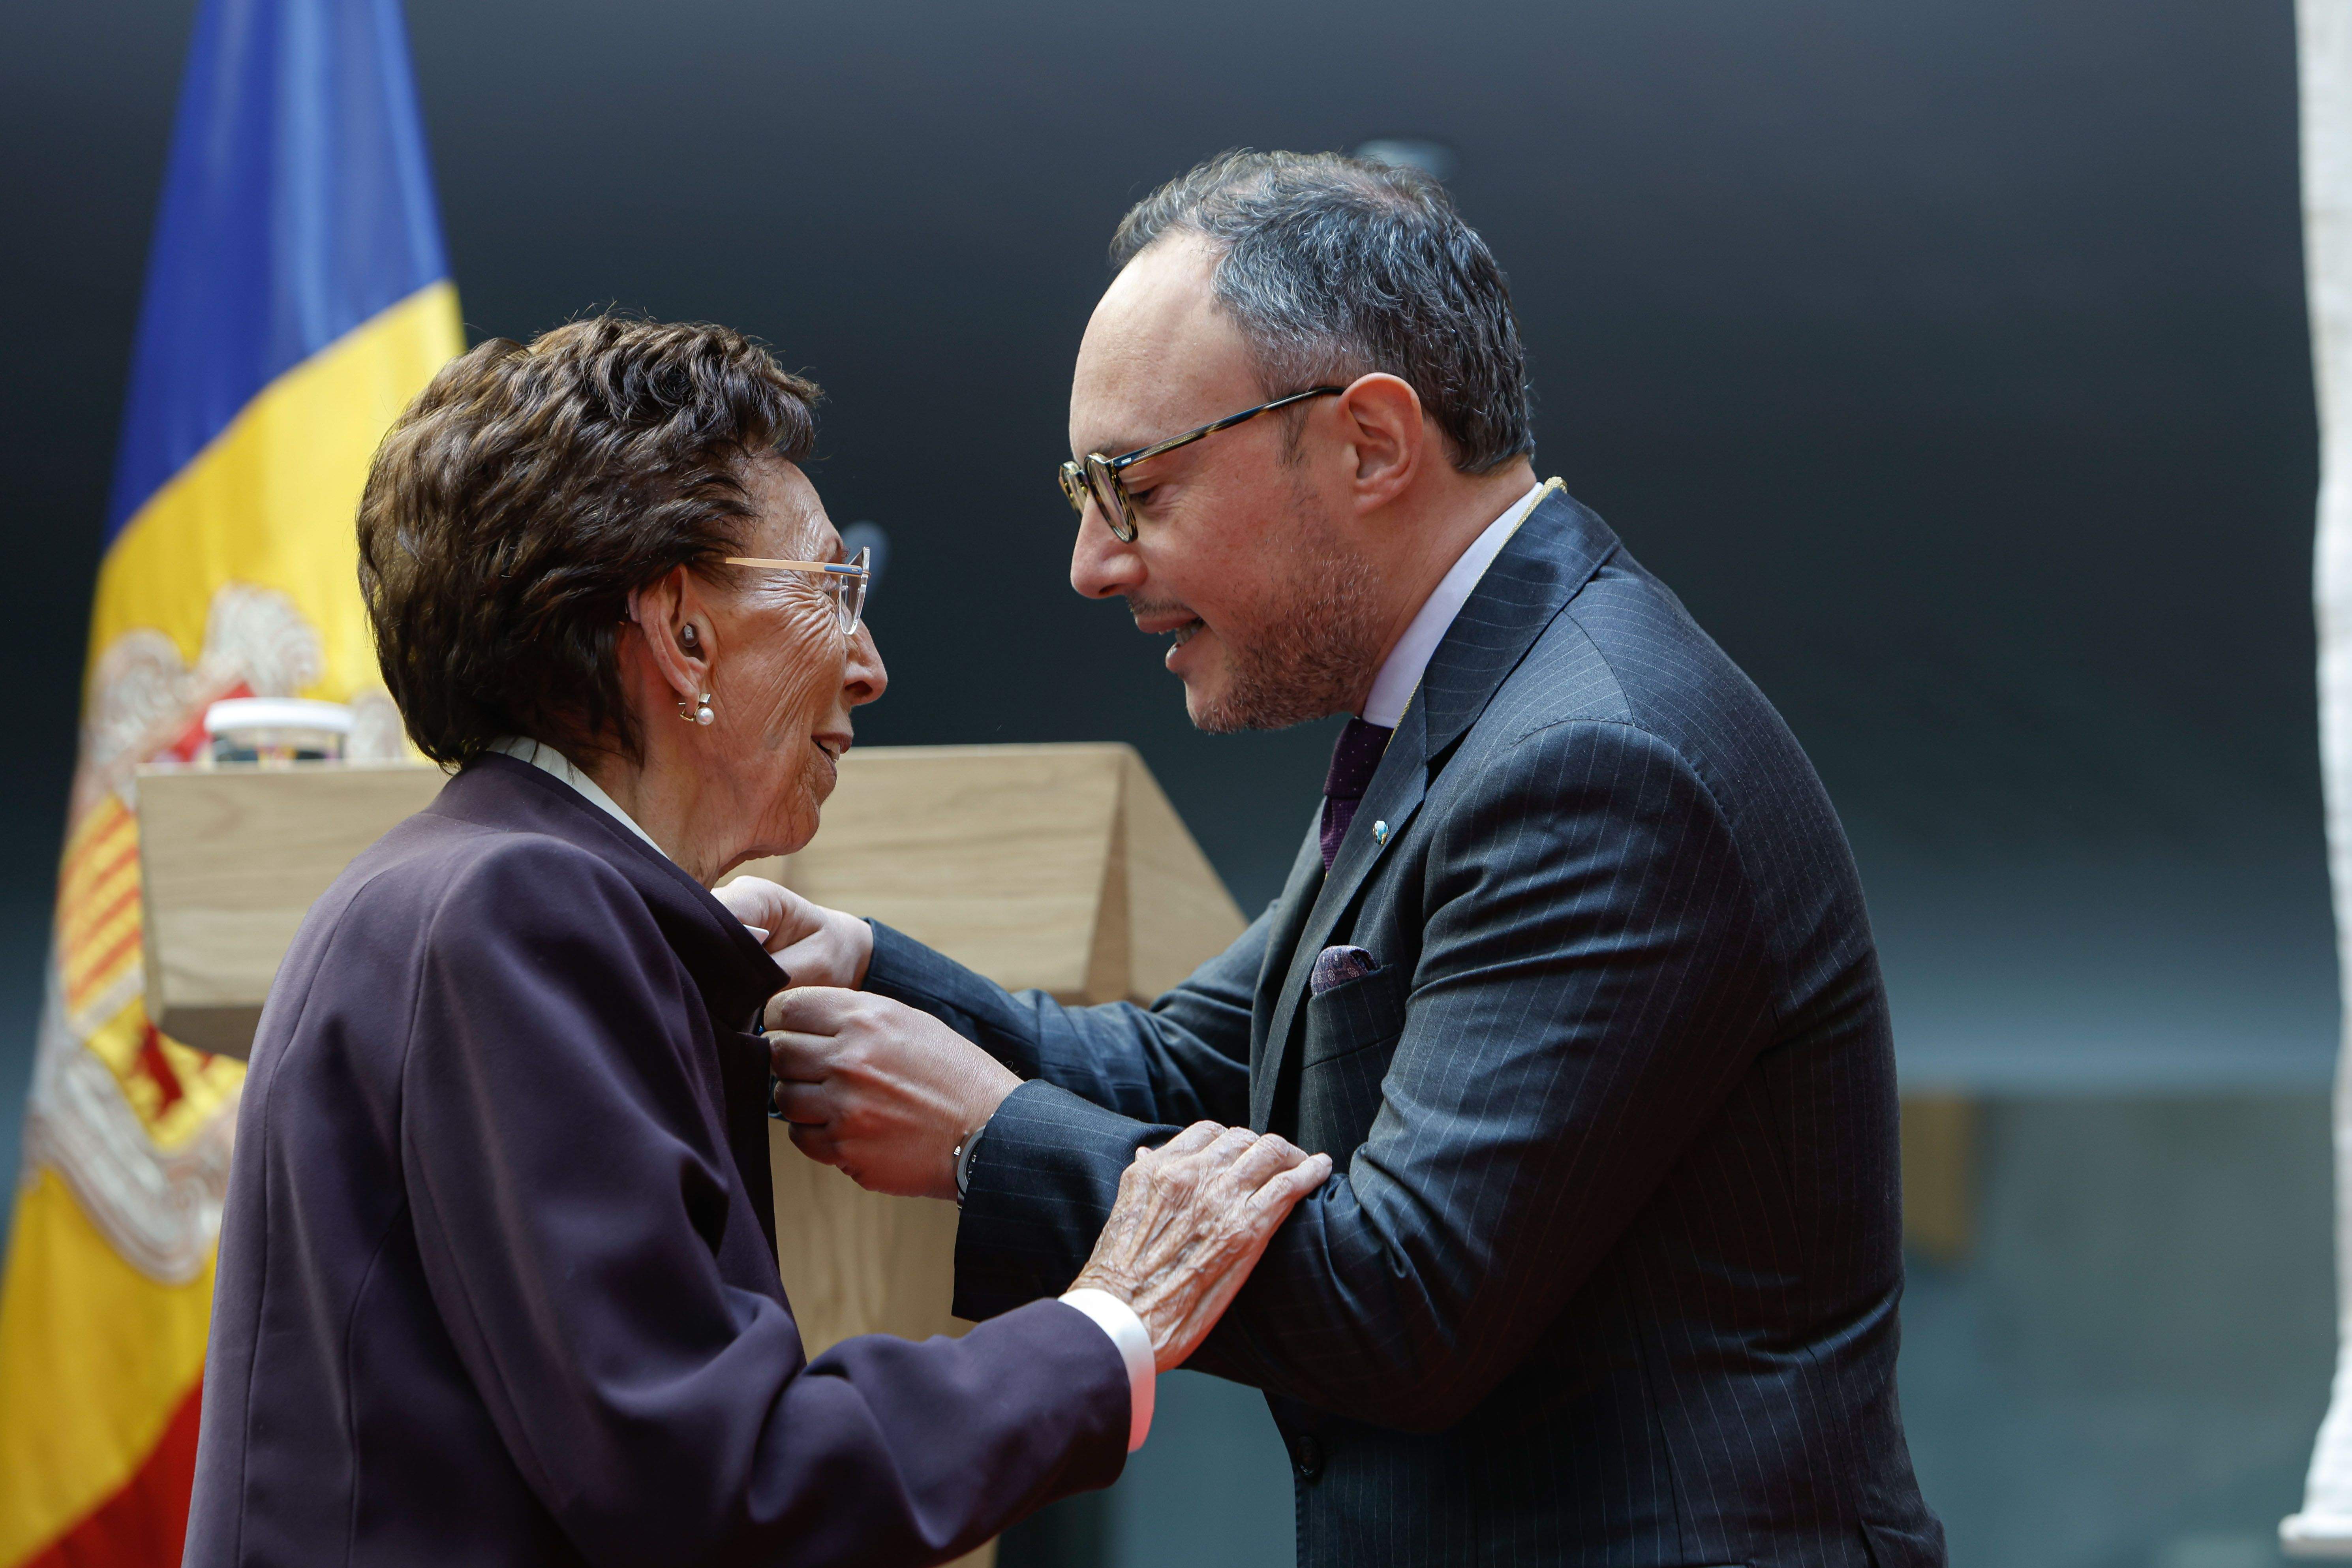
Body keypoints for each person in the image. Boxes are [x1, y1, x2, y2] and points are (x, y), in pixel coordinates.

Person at [732, 152, 1947, 1567]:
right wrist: (871, 971)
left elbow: (1405, 1300)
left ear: (1373, 443)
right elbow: (1205, 1071)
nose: (1091, 562)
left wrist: (981, 1137)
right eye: (1084, 488)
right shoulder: (1482, 699)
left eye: (1133, 486)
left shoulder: (1597, 759)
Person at [184, 315, 1332, 1568]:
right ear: (681, 635)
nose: (872, 665)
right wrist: (1110, 1318)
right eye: (835, 590)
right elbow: (721, 1485)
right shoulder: (518, 911)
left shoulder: (472, 887)